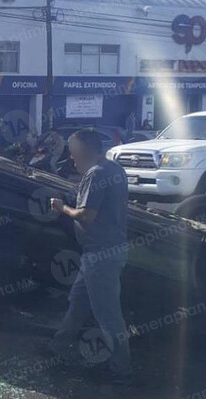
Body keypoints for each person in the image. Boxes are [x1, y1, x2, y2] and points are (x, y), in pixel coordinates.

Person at [48, 128, 132, 384]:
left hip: (101, 255)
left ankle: (122, 370)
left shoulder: (95, 174)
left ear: (85, 150)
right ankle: (58, 349)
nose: (71, 157)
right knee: (78, 303)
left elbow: (87, 215)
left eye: (73, 152)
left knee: (108, 316)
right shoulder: (114, 169)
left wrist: (61, 207)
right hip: (102, 252)